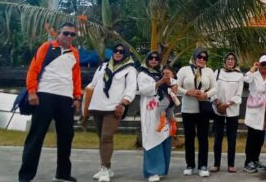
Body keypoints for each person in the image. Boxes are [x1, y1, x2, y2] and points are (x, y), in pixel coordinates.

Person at [18, 22, 82, 182]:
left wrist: (77, 97)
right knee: (36, 135)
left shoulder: (74, 52)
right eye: (66, 33)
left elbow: (76, 76)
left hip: (66, 98)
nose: (69, 37)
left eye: (72, 34)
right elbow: (33, 69)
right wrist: (32, 92)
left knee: (66, 136)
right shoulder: (47, 47)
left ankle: (63, 173)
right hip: (45, 94)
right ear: (59, 33)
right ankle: (25, 176)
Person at [85, 43, 137, 182]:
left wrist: (123, 104)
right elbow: (92, 85)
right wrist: (83, 101)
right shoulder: (103, 66)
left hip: (113, 108)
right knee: (102, 138)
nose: (118, 53)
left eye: (121, 51)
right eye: (116, 50)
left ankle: (104, 169)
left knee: (106, 137)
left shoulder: (130, 69)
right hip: (96, 106)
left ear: (126, 54)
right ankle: (107, 168)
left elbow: (131, 89)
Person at [177, 48, 218, 177]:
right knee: (189, 137)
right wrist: (187, 92)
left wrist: (206, 94)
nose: (202, 59)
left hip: (203, 109)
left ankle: (203, 165)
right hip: (188, 109)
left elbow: (215, 87)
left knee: (203, 138)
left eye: (205, 58)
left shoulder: (209, 71)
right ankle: (190, 164)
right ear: (194, 57)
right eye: (199, 56)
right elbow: (175, 86)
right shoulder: (184, 70)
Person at [137, 51, 176, 182]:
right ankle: (152, 171)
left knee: (165, 135)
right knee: (152, 137)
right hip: (150, 108)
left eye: (156, 58)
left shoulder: (161, 73)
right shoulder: (142, 74)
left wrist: (172, 85)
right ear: (147, 59)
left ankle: (162, 169)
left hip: (164, 108)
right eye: (151, 58)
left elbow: (172, 85)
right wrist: (159, 83)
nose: (154, 60)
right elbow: (143, 90)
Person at [210, 52, 243, 173]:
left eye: (232, 59)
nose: (230, 61)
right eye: (228, 59)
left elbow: (239, 95)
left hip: (232, 111)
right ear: (225, 61)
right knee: (217, 138)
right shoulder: (218, 72)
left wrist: (227, 104)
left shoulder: (239, 76)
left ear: (235, 62)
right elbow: (212, 90)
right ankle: (216, 164)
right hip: (218, 110)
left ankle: (231, 164)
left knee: (232, 139)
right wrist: (218, 104)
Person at [243, 55, 266, 173]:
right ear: (259, 64)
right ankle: (248, 162)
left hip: (264, 111)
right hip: (253, 110)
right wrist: (253, 68)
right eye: (262, 64)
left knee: (260, 138)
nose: (264, 67)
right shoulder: (254, 75)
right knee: (252, 137)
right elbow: (245, 79)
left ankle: (255, 160)